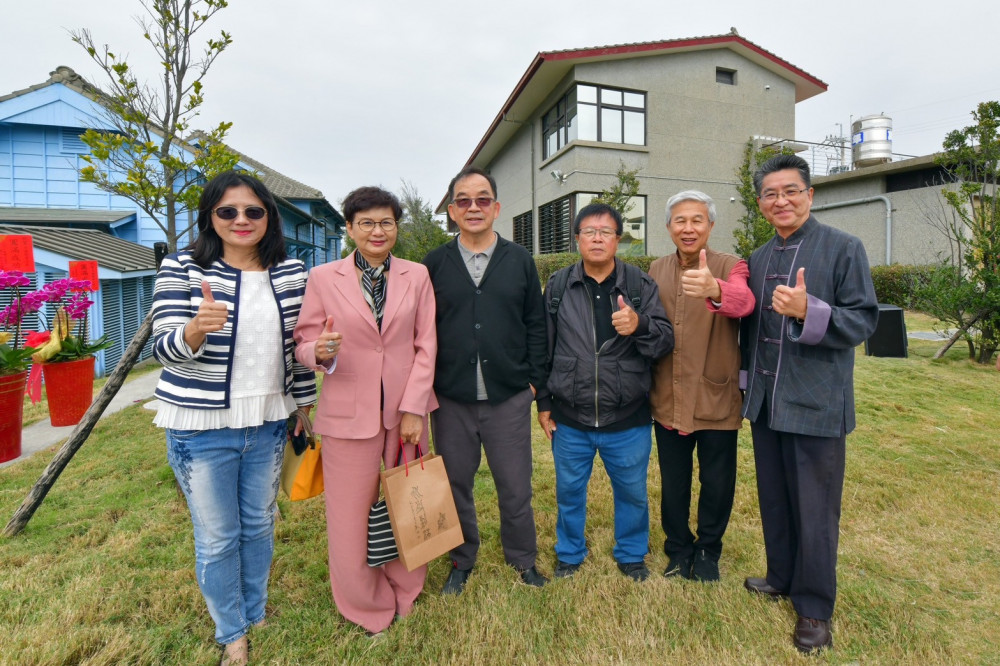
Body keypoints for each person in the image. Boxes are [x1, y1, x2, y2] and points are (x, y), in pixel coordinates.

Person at [152, 170, 317, 666]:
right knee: (219, 534)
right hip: (200, 427)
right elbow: (164, 349)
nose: (241, 220)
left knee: (258, 526)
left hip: (268, 421)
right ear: (210, 217)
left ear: (270, 216)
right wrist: (195, 331)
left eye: (253, 211)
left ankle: (255, 609)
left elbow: (296, 347)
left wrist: (304, 406)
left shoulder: (290, 272)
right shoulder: (182, 269)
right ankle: (232, 633)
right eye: (228, 211)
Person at [741, 154, 878, 653]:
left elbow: (864, 321)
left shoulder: (843, 248)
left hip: (816, 402)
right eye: (771, 194)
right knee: (775, 498)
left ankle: (815, 607)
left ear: (809, 194)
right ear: (760, 204)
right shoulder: (757, 259)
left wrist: (809, 311)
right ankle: (781, 575)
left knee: (816, 510)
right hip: (767, 403)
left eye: (791, 191)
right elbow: (750, 330)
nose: (781, 201)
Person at [293, 186, 437, 636]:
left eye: (387, 222)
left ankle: (406, 588)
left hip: (405, 413)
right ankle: (365, 604)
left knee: (409, 503)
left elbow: (426, 344)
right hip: (346, 414)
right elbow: (303, 343)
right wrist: (319, 350)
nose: (378, 231)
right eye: (367, 223)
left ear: (398, 226)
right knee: (350, 517)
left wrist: (414, 407)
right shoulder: (323, 278)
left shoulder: (417, 275)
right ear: (350, 228)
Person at [422, 166, 549, 594]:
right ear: (452, 212)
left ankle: (523, 558)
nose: (473, 207)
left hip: (508, 397)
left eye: (481, 199)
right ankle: (462, 558)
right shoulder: (434, 265)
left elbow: (536, 324)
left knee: (514, 485)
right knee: (456, 483)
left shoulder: (519, 261)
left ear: (496, 207)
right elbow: (421, 329)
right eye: (463, 200)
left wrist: (533, 384)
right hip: (452, 398)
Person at [537, 202, 673, 582]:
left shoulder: (639, 285)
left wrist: (640, 324)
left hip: (626, 415)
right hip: (570, 416)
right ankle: (569, 552)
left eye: (606, 232)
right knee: (569, 492)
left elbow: (664, 341)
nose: (597, 238)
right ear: (577, 239)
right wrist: (544, 403)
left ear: (618, 239)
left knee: (632, 492)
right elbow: (544, 350)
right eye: (589, 232)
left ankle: (631, 553)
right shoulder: (560, 285)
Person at [648, 190, 754, 582]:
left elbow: (744, 302)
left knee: (717, 481)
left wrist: (716, 290)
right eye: (680, 221)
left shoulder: (731, 265)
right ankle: (677, 548)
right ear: (668, 227)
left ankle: (709, 549)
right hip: (668, 396)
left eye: (697, 220)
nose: (688, 228)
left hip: (716, 395)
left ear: (710, 225)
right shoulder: (655, 269)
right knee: (673, 482)